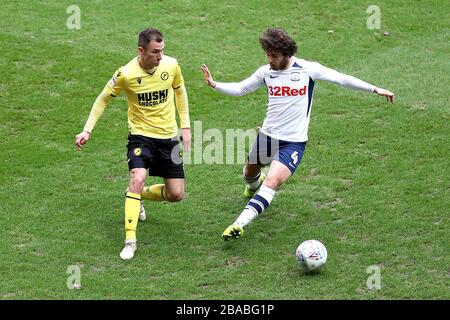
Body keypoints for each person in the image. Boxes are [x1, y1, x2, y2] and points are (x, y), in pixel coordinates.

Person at [201, 27, 395, 240]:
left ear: (287, 53)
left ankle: (239, 224)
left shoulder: (307, 69)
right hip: (267, 137)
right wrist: (215, 84)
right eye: (267, 54)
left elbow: (341, 78)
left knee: (273, 181)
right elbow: (241, 89)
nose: (270, 59)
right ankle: (252, 187)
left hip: (293, 143)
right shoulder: (266, 72)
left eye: (274, 55)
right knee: (249, 173)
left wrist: (375, 89)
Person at [76, 28, 191, 259]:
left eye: (162, 50)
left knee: (175, 194)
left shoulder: (171, 66)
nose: (160, 56)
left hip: (168, 137)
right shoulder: (125, 74)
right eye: (155, 51)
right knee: (137, 177)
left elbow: (180, 92)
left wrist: (186, 125)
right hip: (140, 135)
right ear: (141, 50)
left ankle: (135, 196)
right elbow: (103, 99)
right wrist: (87, 130)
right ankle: (130, 240)